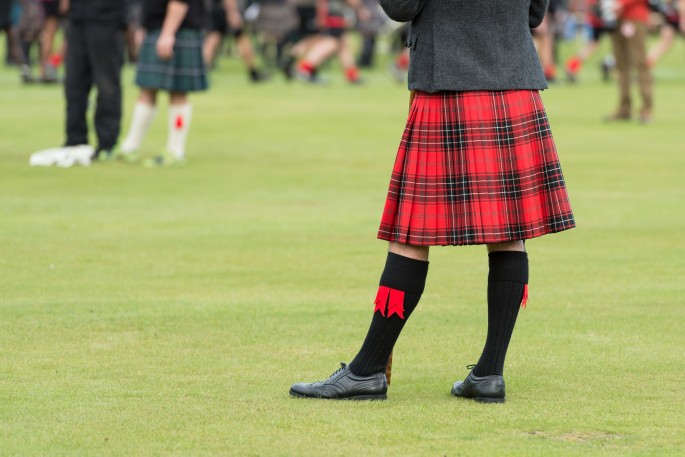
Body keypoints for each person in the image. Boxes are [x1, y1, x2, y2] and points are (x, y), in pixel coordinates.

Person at [289, 0, 575, 403]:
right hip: (513, 82)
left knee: (410, 232)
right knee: (509, 232)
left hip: (450, 83)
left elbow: (402, 6)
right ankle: (489, 373)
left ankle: (367, 370)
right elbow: (534, 13)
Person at [115, 0, 207, 166]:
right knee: (147, 89)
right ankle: (130, 146)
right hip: (157, 28)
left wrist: (167, 32)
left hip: (177, 29)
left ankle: (175, 149)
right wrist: (144, 25)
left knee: (178, 92)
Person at [63, 0, 126, 159]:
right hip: (78, 19)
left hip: (107, 20)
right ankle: (75, 140)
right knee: (73, 83)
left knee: (107, 86)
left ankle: (107, 143)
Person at [605, 0, 653, 123]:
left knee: (640, 64)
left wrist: (622, 4)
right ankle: (624, 108)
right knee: (621, 66)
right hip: (615, 19)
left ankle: (646, 108)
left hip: (634, 17)